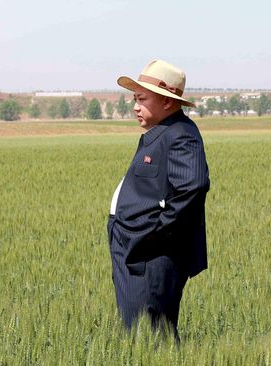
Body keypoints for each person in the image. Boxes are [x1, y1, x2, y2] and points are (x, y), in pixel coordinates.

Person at [107, 59, 210, 339]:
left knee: (150, 334)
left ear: (167, 101)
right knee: (137, 329)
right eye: (134, 99)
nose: (135, 106)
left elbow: (193, 187)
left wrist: (152, 234)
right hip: (136, 248)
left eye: (142, 99)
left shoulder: (180, 135)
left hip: (152, 253)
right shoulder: (161, 133)